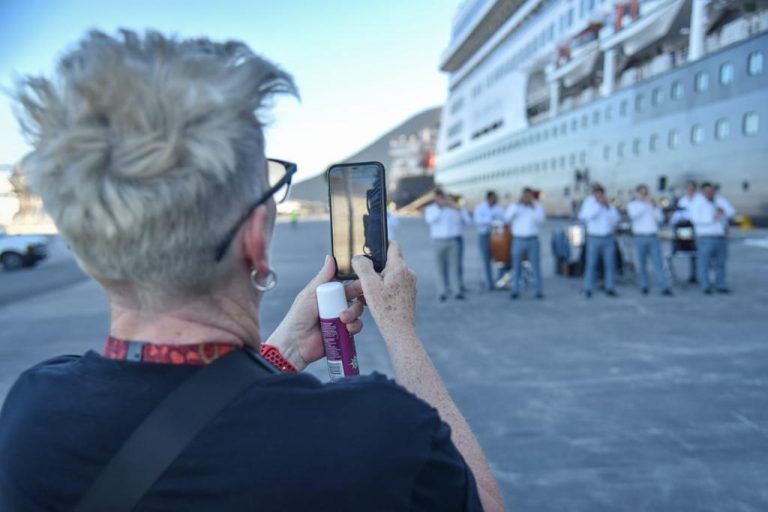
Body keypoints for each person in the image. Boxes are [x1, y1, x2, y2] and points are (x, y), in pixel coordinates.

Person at [0, 31, 504, 512]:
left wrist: (280, 352)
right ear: (256, 240)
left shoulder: (31, 412)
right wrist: (400, 330)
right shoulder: (371, 434)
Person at [690, 182, 736, 294]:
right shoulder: (697, 202)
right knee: (704, 263)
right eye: (707, 191)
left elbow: (732, 211)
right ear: (702, 192)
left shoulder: (719, 200)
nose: (709, 193)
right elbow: (695, 219)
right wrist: (712, 218)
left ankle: (721, 285)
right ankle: (705, 286)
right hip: (705, 237)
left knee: (721, 263)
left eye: (711, 191)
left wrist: (723, 212)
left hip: (720, 237)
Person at [627, 185, 673, 296]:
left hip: (653, 236)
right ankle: (644, 285)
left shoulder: (653, 205)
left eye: (645, 193)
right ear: (637, 194)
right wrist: (644, 204)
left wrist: (653, 206)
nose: (644, 195)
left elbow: (660, 219)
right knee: (641, 263)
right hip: (640, 236)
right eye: (642, 193)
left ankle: (664, 286)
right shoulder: (633, 205)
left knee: (658, 263)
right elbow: (634, 216)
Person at [425, 189, 468, 301]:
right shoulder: (431, 209)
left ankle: (457, 291)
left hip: (453, 241)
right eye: (440, 197)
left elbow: (467, 221)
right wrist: (441, 208)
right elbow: (430, 220)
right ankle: (442, 291)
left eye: (444, 197)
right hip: (438, 241)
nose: (443, 200)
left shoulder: (454, 209)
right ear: (436, 199)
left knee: (455, 267)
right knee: (440, 268)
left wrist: (458, 209)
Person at [578, 183, 621, 298]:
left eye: (601, 193)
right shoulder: (589, 203)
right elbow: (586, 216)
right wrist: (598, 205)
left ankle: (610, 287)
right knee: (591, 264)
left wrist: (607, 207)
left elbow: (616, 219)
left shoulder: (609, 205)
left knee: (610, 264)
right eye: (596, 193)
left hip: (608, 238)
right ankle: (588, 288)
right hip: (594, 238)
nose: (599, 195)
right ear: (593, 194)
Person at [504, 188, 545, 299]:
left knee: (536, 266)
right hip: (518, 240)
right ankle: (515, 290)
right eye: (524, 195)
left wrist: (532, 207)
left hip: (533, 239)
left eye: (528, 195)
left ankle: (538, 291)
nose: (526, 198)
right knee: (516, 266)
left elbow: (541, 220)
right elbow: (506, 218)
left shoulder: (537, 206)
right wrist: (518, 206)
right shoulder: (515, 206)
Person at [473, 190, 505, 290]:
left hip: (497, 236)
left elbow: (504, 219)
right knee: (486, 260)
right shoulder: (480, 208)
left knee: (500, 260)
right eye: (492, 199)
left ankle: (500, 281)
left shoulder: (499, 208)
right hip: (485, 236)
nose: (493, 200)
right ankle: (489, 283)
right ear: (488, 198)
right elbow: (478, 221)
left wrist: (488, 220)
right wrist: (491, 219)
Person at [670, 180, 699, 283]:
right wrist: (673, 222)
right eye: (688, 188)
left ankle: (700, 276)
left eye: (692, 188)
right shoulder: (683, 200)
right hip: (687, 229)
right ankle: (693, 275)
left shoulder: (700, 199)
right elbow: (678, 214)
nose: (690, 190)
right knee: (690, 251)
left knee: (700, 255)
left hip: (700, 230)